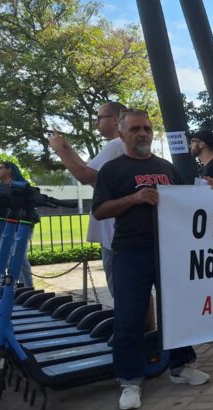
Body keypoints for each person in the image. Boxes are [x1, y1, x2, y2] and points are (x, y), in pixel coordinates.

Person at [92, 109, 210, 410]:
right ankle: (130, 380)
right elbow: (100, 211)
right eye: (135, 129)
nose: (143, 134)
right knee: (129, 316)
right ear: (121, 134)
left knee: (176, 310)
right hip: (130, 251)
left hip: (169, 250)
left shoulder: (166, 167)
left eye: (147, 128)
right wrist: (134, 198)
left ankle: (180, 365)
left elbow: (186, 202)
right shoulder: (111, 170)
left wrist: (208, 190)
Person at [49, 101, 127, 296]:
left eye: (99, 118)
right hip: (118, 231)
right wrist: (68, 150)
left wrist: (59, 150)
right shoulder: (121, 145)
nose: (95, 123)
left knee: (122, 292)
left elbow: (85, 176)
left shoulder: (115, 145)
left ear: (115, 119)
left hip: (114, 233)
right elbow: (93, 175)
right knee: (133, 292)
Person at [0, 161, 33, 287]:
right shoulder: (1, 186)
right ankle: (17, 286)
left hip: (22, 224)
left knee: (17, 255)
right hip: (8, 224)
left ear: (10, 169)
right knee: (7, 255)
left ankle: (27, 286)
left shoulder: (22, 185)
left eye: (0, 168)